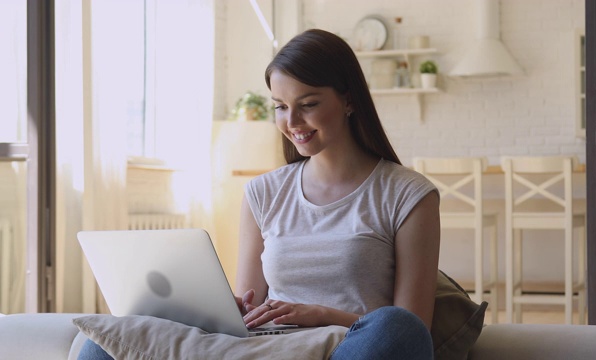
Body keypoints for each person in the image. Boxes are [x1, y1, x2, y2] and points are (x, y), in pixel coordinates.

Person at [78, 28, 440, 360]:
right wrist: (229, 310)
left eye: (308, 104)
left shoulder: (408, 194)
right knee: (105, 341)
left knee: (397, 328)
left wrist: (320, 314)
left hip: (345, 347)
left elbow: (413, 325)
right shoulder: (263, 192)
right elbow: (250, 305)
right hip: (268, 348)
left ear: (348, 100)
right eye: (280, 107)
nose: (292, 122)